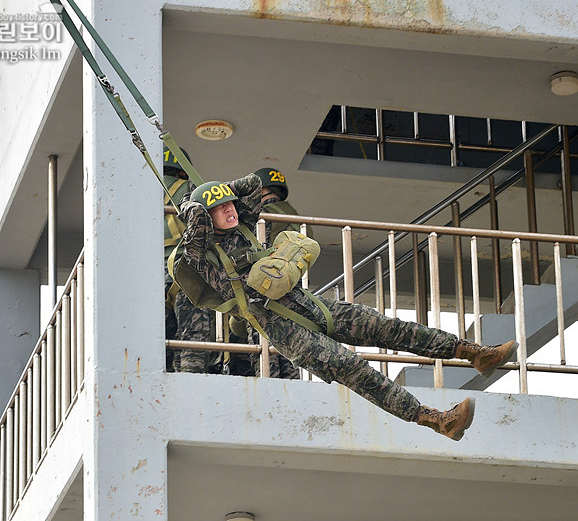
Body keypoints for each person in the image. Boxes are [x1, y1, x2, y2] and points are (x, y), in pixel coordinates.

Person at [174, 173, 518, 441]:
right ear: (206, 216)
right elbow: (197, 230)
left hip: (307, 304)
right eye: (220, 208)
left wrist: (219, 191)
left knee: (384, 327)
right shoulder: (201, 254)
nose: (230, 209)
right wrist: (196, 205)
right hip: (283, 326)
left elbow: (251, 185)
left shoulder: (243, 227)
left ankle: (473, 352)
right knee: (355, 370)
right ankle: (436, 420)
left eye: (229, 204)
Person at [228, 167, 307, 379]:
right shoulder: (296, 217)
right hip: (294, 293)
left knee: (265, 355)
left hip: (263, 292)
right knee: (292, 353)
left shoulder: (260, 217)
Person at [161, 146, 221, 373]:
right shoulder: (190, 189)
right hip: (187, 273)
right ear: (184, 170)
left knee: (159, 339)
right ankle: (190, 380)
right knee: (193, 336)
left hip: (151, 279)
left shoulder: (141, 192)